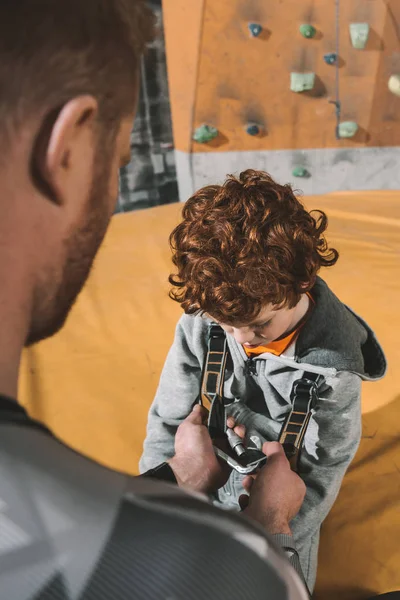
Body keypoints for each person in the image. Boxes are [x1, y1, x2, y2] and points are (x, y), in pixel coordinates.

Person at [0, 1, 313, 599]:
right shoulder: (217, 568)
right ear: (67, 151)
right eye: (118, 160)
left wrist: (177, 476)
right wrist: (266, 528)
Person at [140, 170, 387, 590]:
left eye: (259, 325)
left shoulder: (335, 369)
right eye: (225, 324)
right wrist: (158, 507)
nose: (240, 338)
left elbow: (323, 472)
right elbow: (169, 416)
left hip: (284, 509)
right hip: (201, 490)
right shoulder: (204, 317)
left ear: (303, 280)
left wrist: (272, 533)